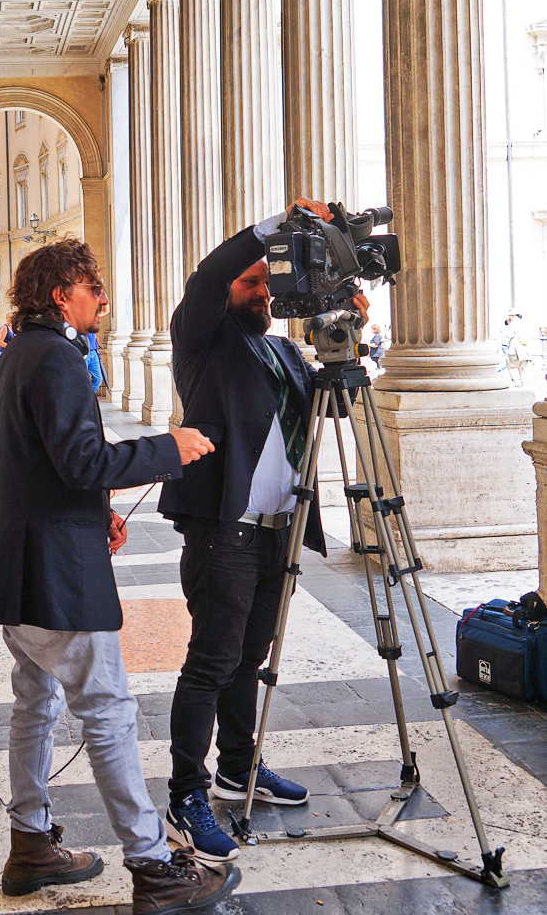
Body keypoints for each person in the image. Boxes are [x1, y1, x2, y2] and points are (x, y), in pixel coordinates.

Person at [0, 238, 239, 914]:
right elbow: (83, 461)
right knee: (109, 712)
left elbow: (40, 464)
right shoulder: (57, 358)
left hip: (16, 569)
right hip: (54, 578)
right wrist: (169, 447)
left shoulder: (15, 355)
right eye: (94, 288)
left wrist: (96, 514)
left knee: (35, 704)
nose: (104, 300)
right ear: (62, 295)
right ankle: (153, 868)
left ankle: (30, 844)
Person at [157, 199, 369, 862]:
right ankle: (185, 795)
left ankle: (237, 766)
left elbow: (332, 409)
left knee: (248, 658)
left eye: (265, 283)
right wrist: (276, 226)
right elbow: (206, 275)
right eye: (250, 281)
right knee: (211, 663)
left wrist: (347, 338)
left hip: (279, 531)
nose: (262, 291)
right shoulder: (202, 341)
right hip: (226, 532)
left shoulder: (281, 349)